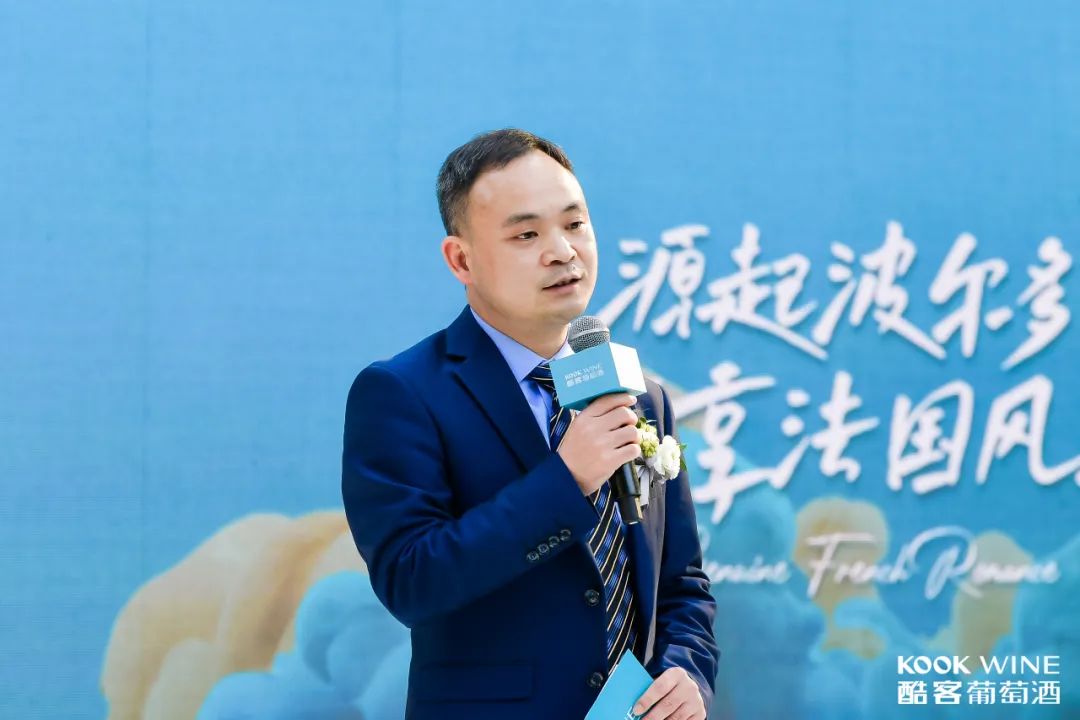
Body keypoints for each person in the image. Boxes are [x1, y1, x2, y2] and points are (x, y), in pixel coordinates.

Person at [342, 129, 719, 719]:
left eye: (575, 224)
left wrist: (686, 670)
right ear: (461, 259)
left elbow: (682, 583)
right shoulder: (404, 393)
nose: (563, 251)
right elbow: (410, 581)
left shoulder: (640, 396)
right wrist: (567, 481)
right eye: (526, 234)